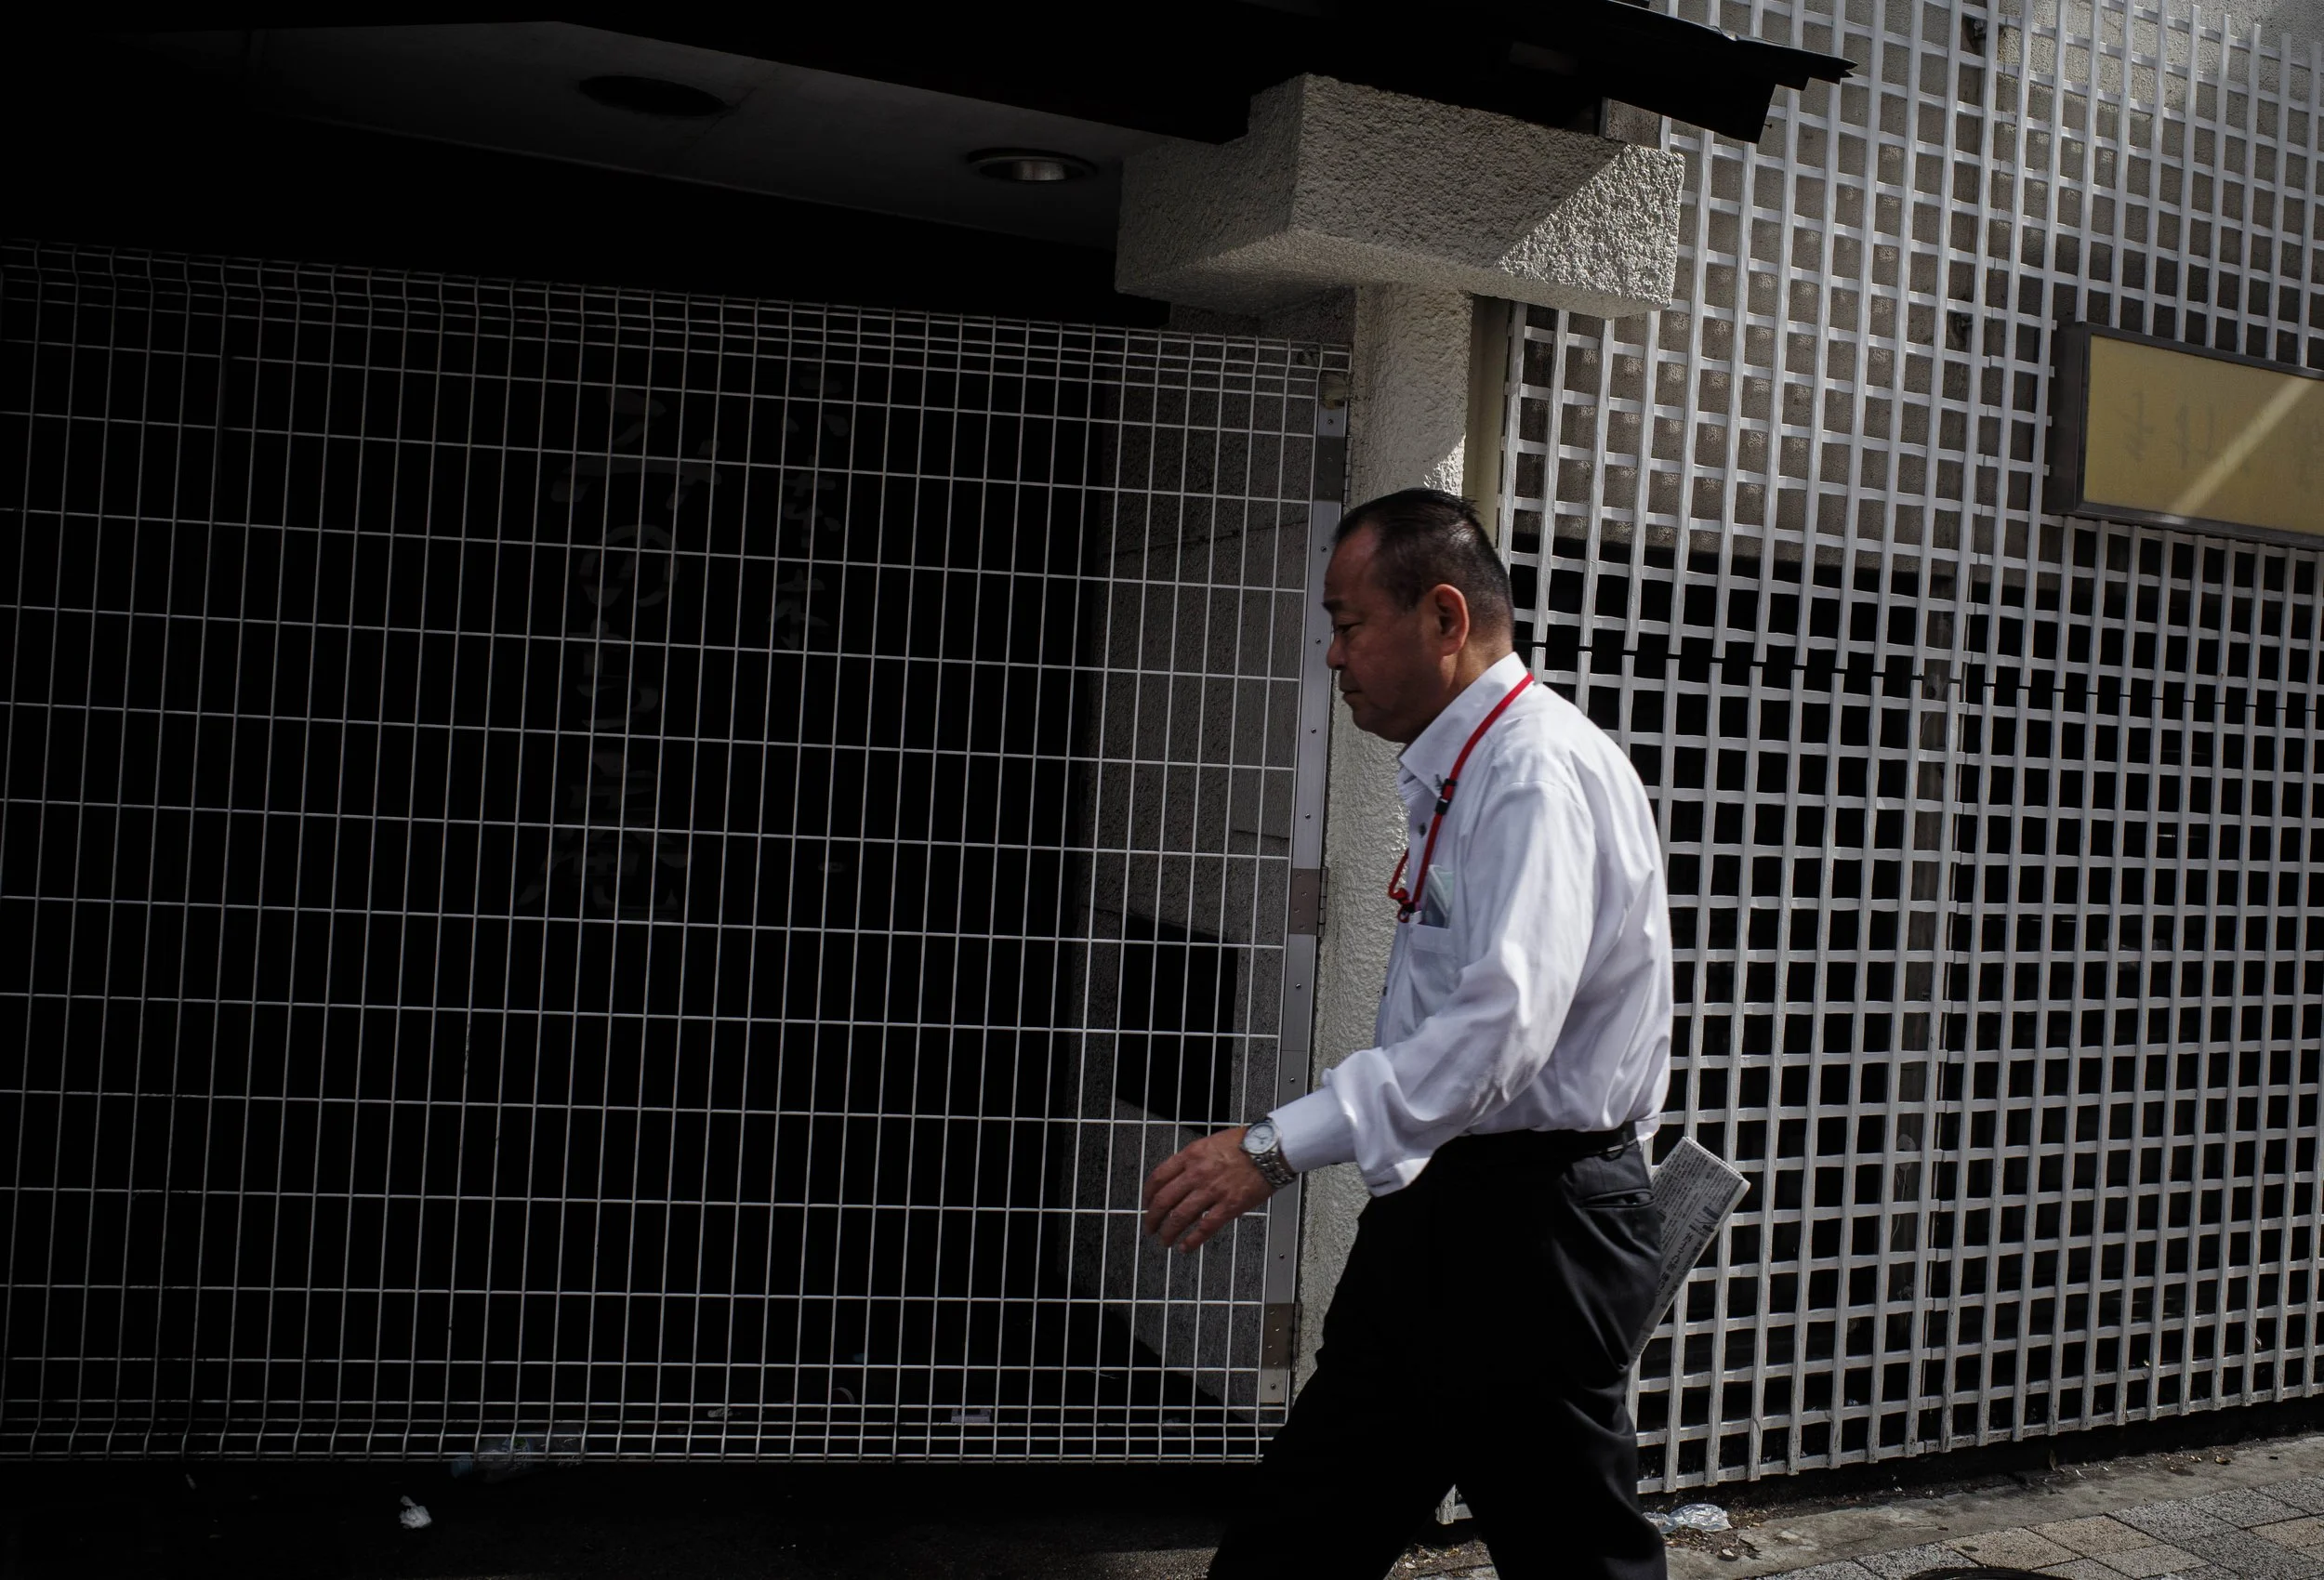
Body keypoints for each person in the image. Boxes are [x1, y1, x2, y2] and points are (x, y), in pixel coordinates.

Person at [1141, 487, 1673, 1580]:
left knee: (1574, 1551)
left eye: (1346, 624)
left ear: (1442, 616)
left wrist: (1274, 1144)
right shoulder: (1471, 763)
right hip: (1452, 1212)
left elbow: (1500, 1027)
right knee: (1305, 1522)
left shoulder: (1534, 771)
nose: (1333, 657)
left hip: (1533, 1232)